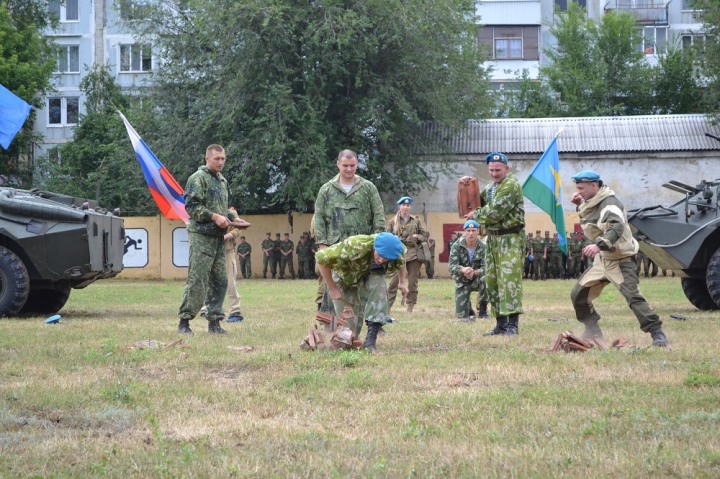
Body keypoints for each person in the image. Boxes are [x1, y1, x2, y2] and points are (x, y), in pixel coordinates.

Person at [569, 170, 668, 347]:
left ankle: (657, 333)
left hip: (621, 261)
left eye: (581, 188)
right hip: (603, 260)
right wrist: (579, 205)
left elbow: (616, 227)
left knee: (633, 297)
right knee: (578, 294)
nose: (579, 191)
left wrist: (597, 245)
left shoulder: (610, 204)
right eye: (577, 188)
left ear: (594, 185)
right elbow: (592, 224)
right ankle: (592, 328)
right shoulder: (593, 201)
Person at [177, 144, 250, 335]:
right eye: (217, 158)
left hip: (218, 238)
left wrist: (234, 219)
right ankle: (184, 322)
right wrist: (213, 217)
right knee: (197, 280)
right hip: (201, 237)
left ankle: (214, 323)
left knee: (220, 281)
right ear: (207, 159)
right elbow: (191, 206)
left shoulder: (223, 181)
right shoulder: (197, 178)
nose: (220, 162)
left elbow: (224, 208)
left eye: (223, 159)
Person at [314, 149, 386, 311]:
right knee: (334, 287)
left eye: (352, 165)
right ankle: (332, 325)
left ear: (357, 164)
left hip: (364, 247)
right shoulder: (326, 190)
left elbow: (378, 214)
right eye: (345, 165)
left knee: (368, 286)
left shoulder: (368, 188)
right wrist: (322, 243)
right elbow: (318, 218)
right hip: (336, 246)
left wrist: (377, 240)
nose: (348, 169)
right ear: (338, 164)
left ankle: (374, 324)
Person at [462, 152, 525, 336]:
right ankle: (501, 324)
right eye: (491, 170)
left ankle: (512, 325)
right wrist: (467, 185)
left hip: (510, 238)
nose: (494, 174)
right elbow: (475, 201)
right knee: (492, 281)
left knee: (509, 280)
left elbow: (495, 211)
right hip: (493, 239)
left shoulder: (511, 185)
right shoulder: (491, 187)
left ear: (507, 168)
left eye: (498, 170)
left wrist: (476, 215)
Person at [316, 232, 407, 353]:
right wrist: (332, 288)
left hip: (370, 274)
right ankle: (344, 340)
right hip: (345, 275)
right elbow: (321, 259)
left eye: (386, 258)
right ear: (374, 247)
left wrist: (402, 282)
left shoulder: (396, 248)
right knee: (350, 330)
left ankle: (370, 341)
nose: (381, 260)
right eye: (379, 255)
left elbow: (402, 260)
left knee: (379, 289)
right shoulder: (354, 245)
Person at [199, 207, 244, 323]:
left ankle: (235, 311)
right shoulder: (209, 212)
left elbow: (237, 230)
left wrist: (223, 237)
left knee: (230, 282)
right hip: (212, 252)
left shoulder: (231, 212)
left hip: (227, 252)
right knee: (209, 281)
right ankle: (206, 309)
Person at [386, 196, 427, 313]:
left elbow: (424, 236)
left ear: (410, 207)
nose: (405, 207)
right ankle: (387, 307)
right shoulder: (392, 222)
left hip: (413, 254)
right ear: (400, 206)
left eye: (408, 205)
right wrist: (395, 238)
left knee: (412, 282)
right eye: (403, 205)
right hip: (398, 254)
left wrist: (416, 236)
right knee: (394, 282)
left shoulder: (416, 220)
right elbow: (386, 237)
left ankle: (410, 306)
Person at [450, 220, 487, 322]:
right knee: (461, 316)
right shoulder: (456, 246)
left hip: (477, 279)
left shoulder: (484, 247)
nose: (471, 233)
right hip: (462, 281)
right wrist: (463, 269)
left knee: (486, 279)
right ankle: (467, 306)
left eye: (473, 230)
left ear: (478, 231)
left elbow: (486, 268)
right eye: (468, 230)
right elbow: (452, 266)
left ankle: (483, 310)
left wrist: (474, 273)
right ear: (464, 231)